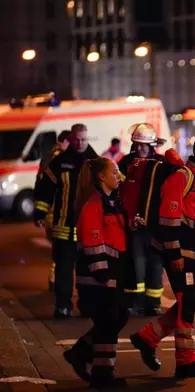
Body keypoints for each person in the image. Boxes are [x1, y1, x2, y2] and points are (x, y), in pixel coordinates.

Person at [129, 132, 195, 379]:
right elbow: (168, 217)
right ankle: (185, 361)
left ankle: (147, 338)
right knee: (188, 299)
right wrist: (174, 253)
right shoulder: (182, 177)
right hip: (178, 250)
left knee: (193, 298)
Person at [62, 157, 131, 387]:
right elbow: (93, 244)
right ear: (101, 176)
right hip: (97, 278)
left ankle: (84, 355)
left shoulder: (110, 202)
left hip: (110, 274)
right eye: (115, 171)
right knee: (109, 321)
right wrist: (103, 276)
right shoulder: (93, 204)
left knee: (116, 318)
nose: (118, 176)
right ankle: (102, 375)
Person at [34, 124, 98, 318]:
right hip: (64, 225)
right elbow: (45, 188)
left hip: (89, 227)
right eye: (77, 139)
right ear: (71, 139)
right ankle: (63, 306)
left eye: (85, 139)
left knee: (88, 270)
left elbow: (112, 186)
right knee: (63, 269)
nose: (81, 143)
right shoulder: (60, 162)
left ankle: (87, 305)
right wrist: (39, 213)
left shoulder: (96, 163)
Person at [117, 123, 167, 316]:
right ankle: (134, 302)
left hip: (155, 225)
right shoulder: (126, 163)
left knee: (155, 263)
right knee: (135, 262)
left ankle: (153, 302)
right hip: (133, 225)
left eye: (144, 145)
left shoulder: (161, 164)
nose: (140, 148)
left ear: (152, 145)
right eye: (137, 144)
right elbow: (119, 189)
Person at [36, 129, 71, 292]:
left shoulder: (47, 158)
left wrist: (39, 211)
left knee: (59, 246)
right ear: (63, 142)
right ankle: (56, 279)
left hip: (50, 208)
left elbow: (39, 186)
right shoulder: (60, 160)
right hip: (57, 208)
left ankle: (55, 278)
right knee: (61, 247)